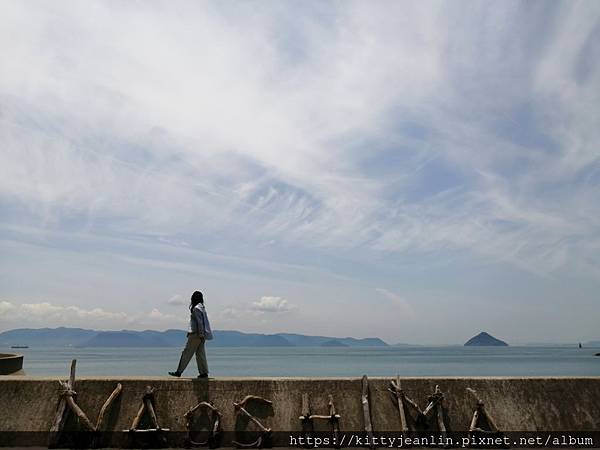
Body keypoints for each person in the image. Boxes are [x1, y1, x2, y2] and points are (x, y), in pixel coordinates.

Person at [169, 291, 213, 378]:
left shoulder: (196, 308)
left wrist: (200, 334)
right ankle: (204, 372)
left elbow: (199, 322)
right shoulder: (202, 308)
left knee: (186, 353)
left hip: (195, 334)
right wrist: (202, 335)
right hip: (202, 335)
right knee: (200, 354)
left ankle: (179, 371)